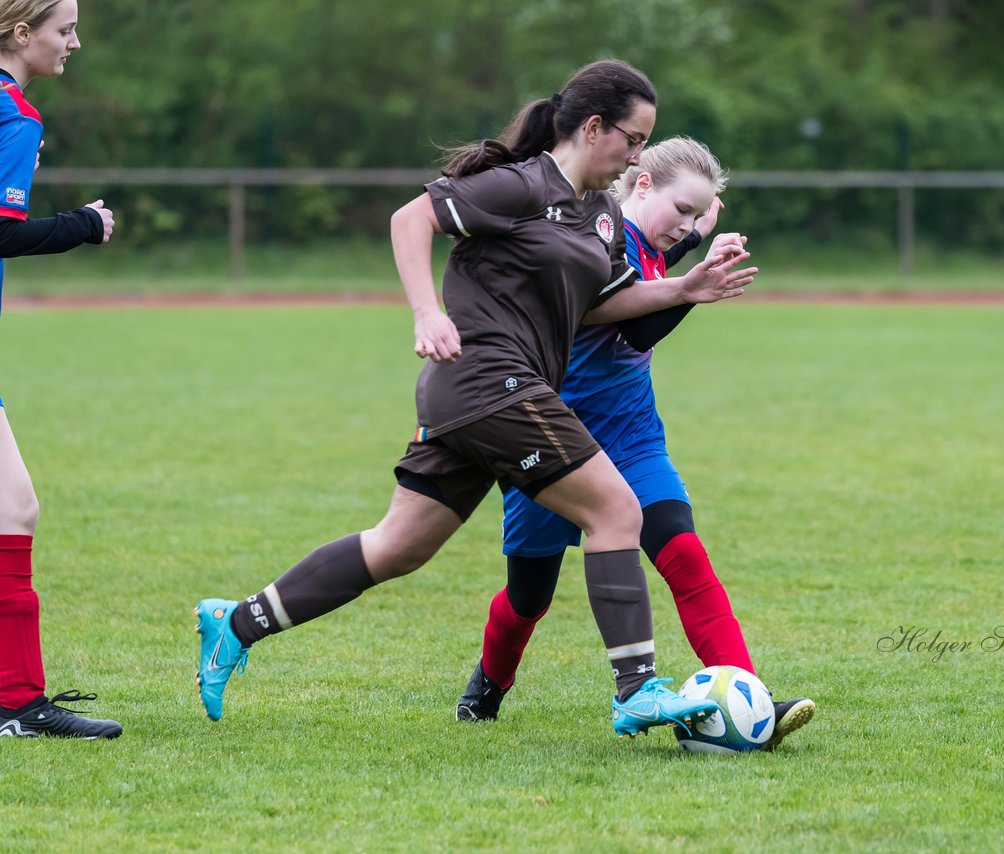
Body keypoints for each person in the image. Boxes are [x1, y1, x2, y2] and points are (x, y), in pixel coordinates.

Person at [193, 60, 759, 739]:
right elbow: (411, 218)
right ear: (593, 126)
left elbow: (609, 306)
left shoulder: (597, 216)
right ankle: (637, 689)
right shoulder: (523, 185)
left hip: (479, 397)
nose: (638, 155)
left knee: (398, 546)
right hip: (490, 381)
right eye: (633, 140)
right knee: (616, 508)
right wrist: (426, 312)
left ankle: (238, 622)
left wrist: (684, 288)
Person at [454, 137, 815, 749]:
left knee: (685, 556)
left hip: (632, 435)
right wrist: (695, 284)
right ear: (641, 184)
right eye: (682, 211)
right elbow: (639, 320)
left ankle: (749, 699)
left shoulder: (660, 235)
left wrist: (704, 236)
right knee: (528, 596)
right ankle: (488, 682)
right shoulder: (595, 237)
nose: (688, 227)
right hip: (556, 438)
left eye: (697, 215)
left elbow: (674, 248)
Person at [0, 0, 120, 739]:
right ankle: (18, 703)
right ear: (21, 34)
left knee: (11, 511)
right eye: (64, 29)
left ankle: (17, 698)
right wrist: (84, 225)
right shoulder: (15, 116)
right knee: (13, 512)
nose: (75, 42)